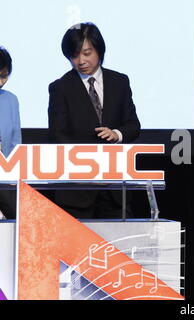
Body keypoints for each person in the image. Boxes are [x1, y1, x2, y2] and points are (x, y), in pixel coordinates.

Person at [48, 22, 141, 219]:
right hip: (77, 191)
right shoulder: (60, 87)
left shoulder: (120, 81)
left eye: (87, 53)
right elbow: (58, 134)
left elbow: (133, 125)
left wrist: (117, 134)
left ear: (99, 50)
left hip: (115, 188)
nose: (81, 61)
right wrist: (88, 162)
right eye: (74, 55)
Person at [0, 46, 22, 219]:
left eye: (4, 76)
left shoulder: (11, 100)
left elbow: (16, 145)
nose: (1, 82)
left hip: (4, 184)